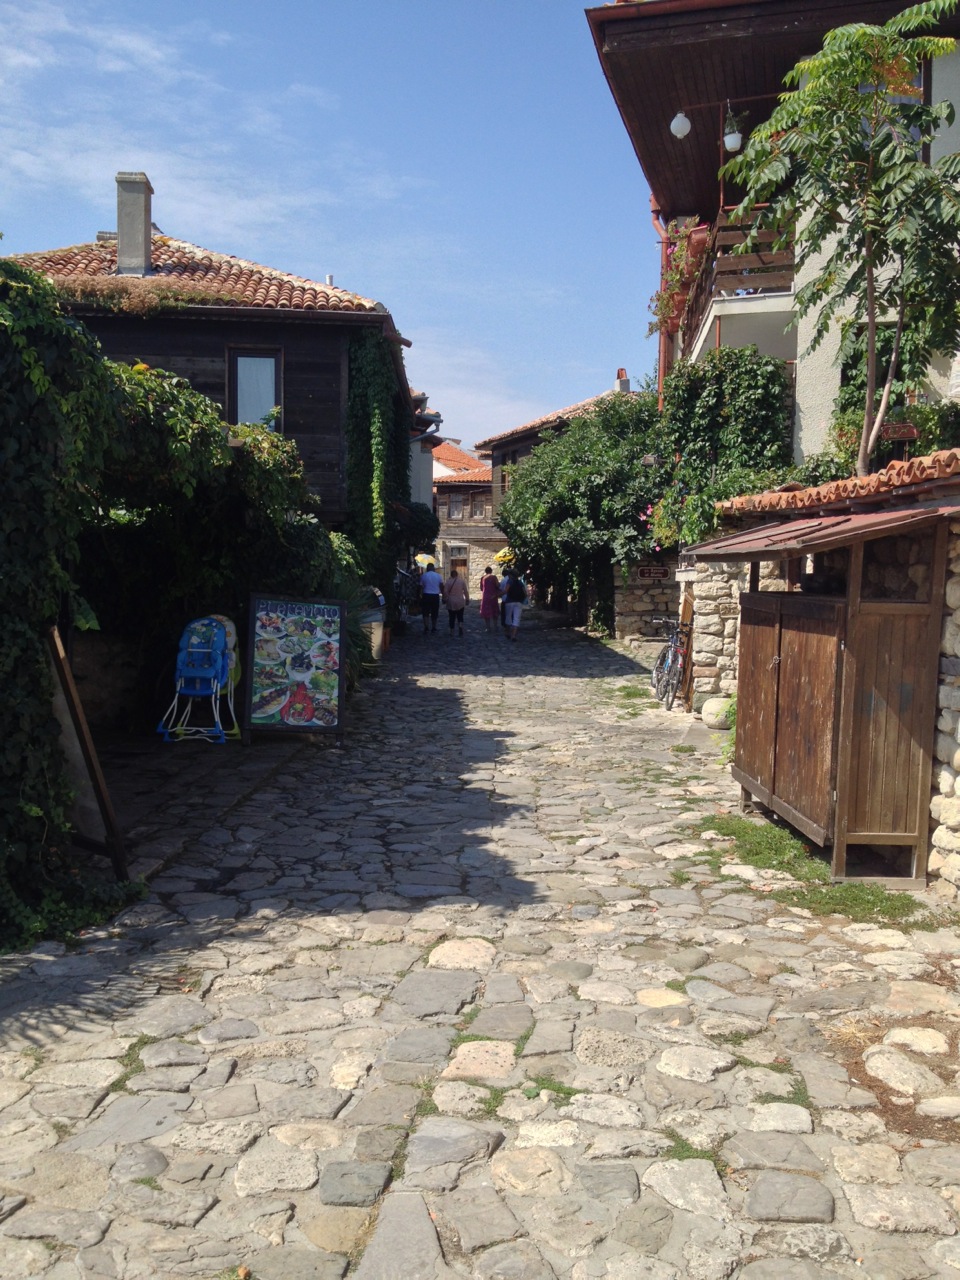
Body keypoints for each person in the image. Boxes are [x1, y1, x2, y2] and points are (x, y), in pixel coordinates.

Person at [502, 569, 526, 641]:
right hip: (519, 602)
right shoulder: (520, 583)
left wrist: (497, 595)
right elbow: (525, 593)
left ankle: (508, 633)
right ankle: (514, 636)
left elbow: (505, 591)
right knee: (516, 618)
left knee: (508, 617)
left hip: (509, 601)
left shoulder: (510, 581)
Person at [443, 568, 469, 636]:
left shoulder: (448, 582)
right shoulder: (462, 581)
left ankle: (451, 631)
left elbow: (445, 592)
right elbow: (465, 591)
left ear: (451, 575)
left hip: (451, 601)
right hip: (460, 601)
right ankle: (460, 626)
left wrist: (445, 598)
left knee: (451, 617)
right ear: (457, 575)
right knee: (460, 616)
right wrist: (467, 599)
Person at [419, 562, 443, 633]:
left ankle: (426, 626)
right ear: (433, 568)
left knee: (425, 611)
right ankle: (434, 626)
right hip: (435, 595)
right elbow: (441, 585)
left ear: (427, 568)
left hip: (426, 595)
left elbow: (420, 586)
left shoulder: (424, 576)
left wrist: (419, 595)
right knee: (434, 612)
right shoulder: (438, 576)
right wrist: (443, 593)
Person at [479, 566, 500, 633]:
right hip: (493, 596)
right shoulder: (494, 577)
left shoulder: (483, 578)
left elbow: (481, 588)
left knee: (486, 612)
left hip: (485, 597)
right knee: (494, 611)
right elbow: (497, 585)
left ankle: (488, 627)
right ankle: (495, 626)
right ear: (491, 571)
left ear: (485, 571)